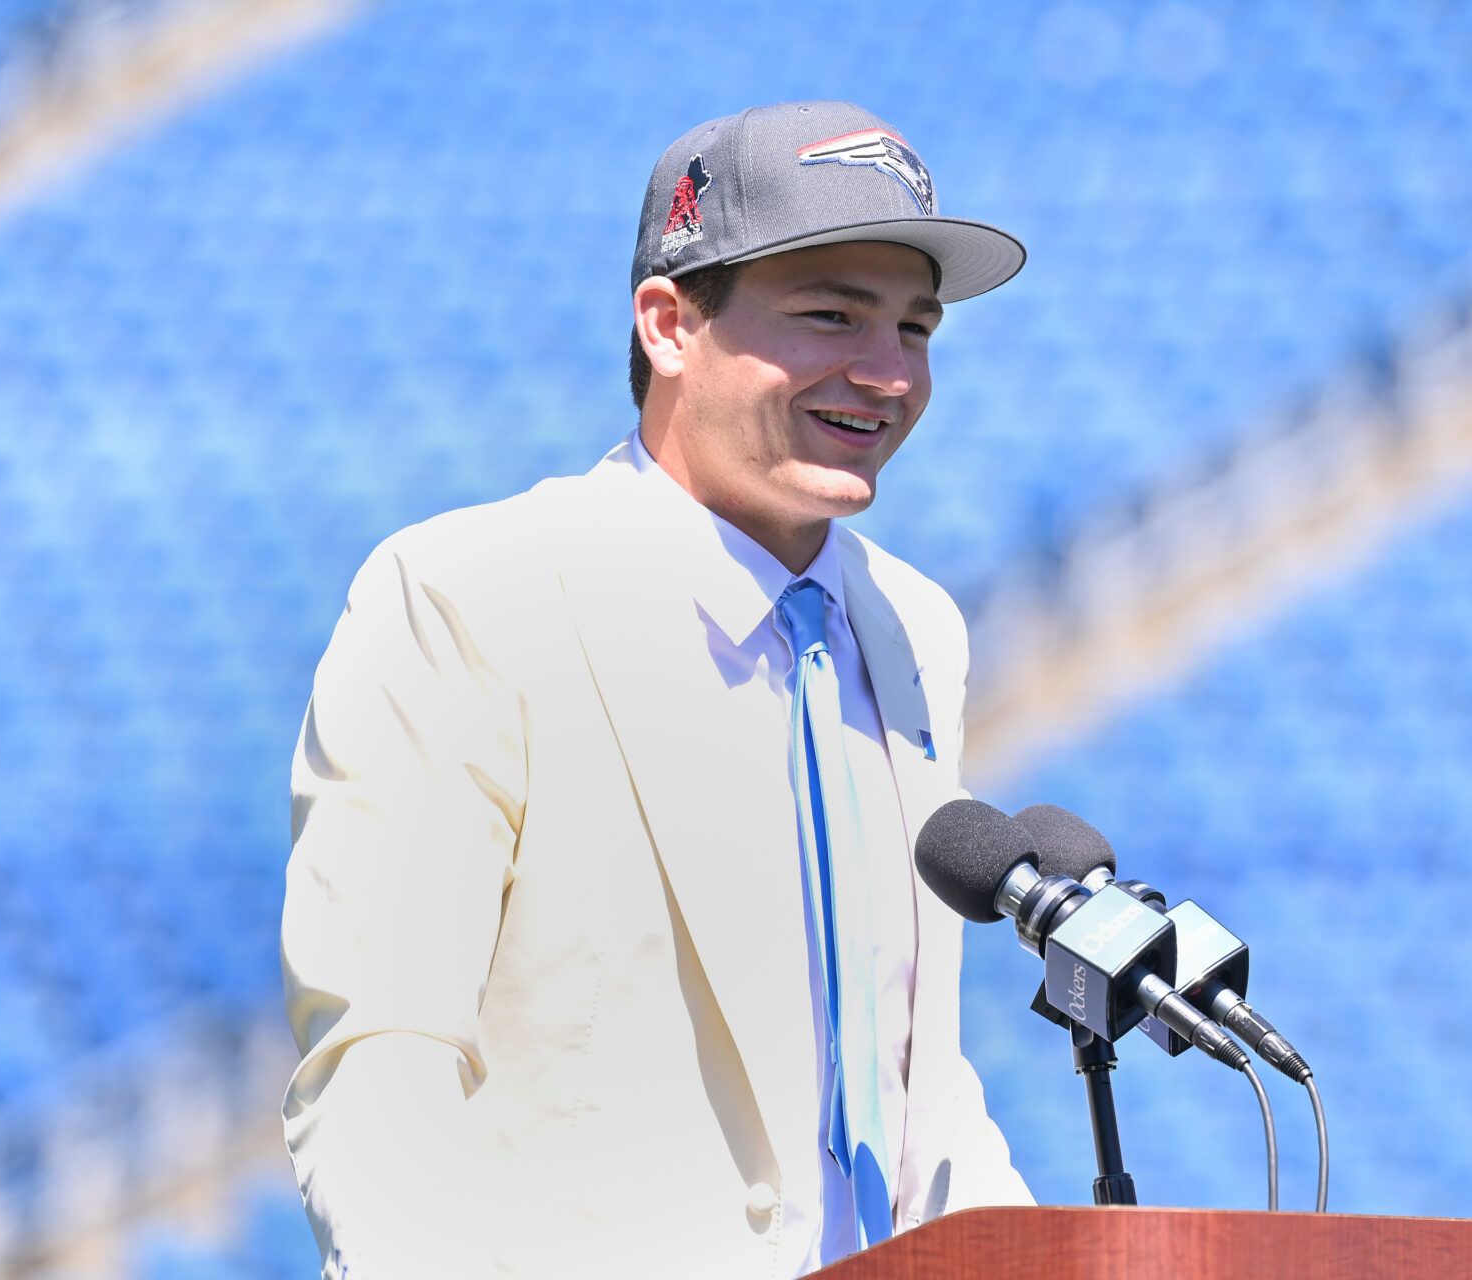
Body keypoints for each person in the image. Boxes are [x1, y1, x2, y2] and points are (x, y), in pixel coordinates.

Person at [281, 100, 1033, 1279]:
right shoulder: (470, 593)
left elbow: (910, 1073)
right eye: (832, 314)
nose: (887, 373)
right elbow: (384, 1052)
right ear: (669, 325)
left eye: (916, 328)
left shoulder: (915, 626)